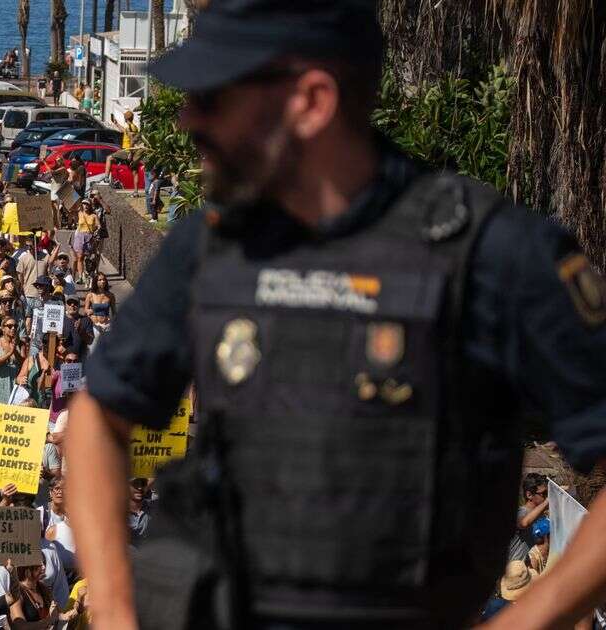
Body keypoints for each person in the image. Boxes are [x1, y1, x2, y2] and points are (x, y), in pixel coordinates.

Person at [66, 2, 606, 629]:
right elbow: (96, 419)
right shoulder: (209, 248)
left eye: (213, 99)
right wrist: (111, 606)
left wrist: (523, 622)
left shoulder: (495, 257)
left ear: (312, 102)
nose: (187, 119)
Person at [510, 472, 549, 561]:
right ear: (529, 495)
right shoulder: (521, 512)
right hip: (515, 570)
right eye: (543, 493)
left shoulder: (542, 517)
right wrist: (547, 502)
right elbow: (524, 523)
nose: (546, 497)